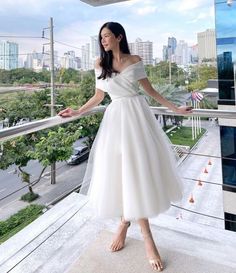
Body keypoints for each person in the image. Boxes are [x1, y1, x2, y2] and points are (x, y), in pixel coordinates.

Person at [58, 22, 192, 272]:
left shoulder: (135, 59)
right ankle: (130, 226)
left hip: (137, 119)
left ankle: (136, 231)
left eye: (107, 36)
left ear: (119, 37)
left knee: (135, 172)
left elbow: (150, 91)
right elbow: (98, 97)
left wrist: (176, 108)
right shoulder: (100, 64)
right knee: (121, 174)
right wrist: (76, 111)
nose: (103, 40)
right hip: (115, 120)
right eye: (101, 37)